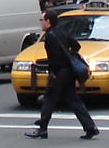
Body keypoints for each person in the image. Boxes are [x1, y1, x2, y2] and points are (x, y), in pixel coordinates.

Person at [24, 10, 98, 140]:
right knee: (73, 100)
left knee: (49, 99)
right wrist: (70, 56)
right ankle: (90, 127)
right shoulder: (62, 33)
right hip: (69, 72)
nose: (40, 23)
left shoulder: (50, 37)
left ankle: (42, 129)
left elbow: (54, 58)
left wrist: (54, 73)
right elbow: (76, 45)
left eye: (42, 20)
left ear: (48, 21)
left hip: (59, 73)